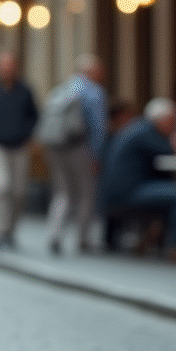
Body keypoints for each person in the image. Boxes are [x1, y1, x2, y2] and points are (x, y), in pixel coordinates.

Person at [102, 98, 176, 260]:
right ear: (161, 119)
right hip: (128, 192)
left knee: (171, 190)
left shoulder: (138, 129)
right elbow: (175, 155)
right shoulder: (147, 133)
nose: (175, 125)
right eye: (172, 120)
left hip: (118, 190)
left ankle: (151, 239)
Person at [39, 55, 108, 255]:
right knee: (86, 192)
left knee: (62, 192)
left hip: (56, 147)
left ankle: (54, 234)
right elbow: (98, 127)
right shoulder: (94, 92)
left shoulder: (64, 89)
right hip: (79, 148)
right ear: (93, 72)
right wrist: (96, 154)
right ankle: (83, 238)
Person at [0, 52, 40, 251]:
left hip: (20, 146)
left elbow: (34, 115)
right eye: (4, 65)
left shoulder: (25, 90)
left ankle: (11, 232)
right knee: (1, 186)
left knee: (19, 191)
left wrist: (28, 134)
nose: (7, 69)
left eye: (11, 64)